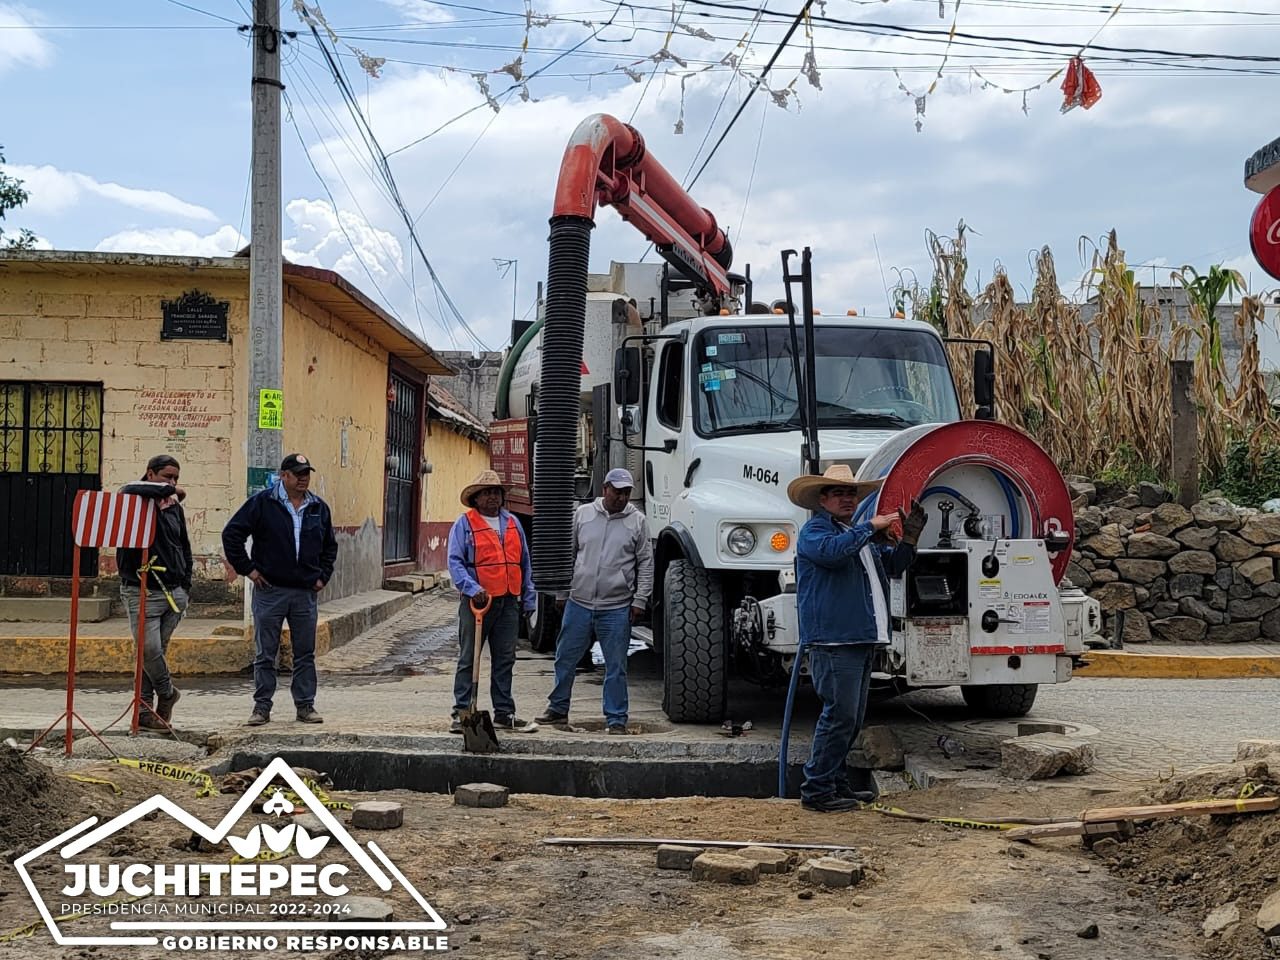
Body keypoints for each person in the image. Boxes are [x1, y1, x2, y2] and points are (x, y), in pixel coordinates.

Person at [786, 463, 927, 813]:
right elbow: (832, 555)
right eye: (839, 493)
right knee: (840, 716)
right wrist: (869, 527)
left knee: (849, 717)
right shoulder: (816, 533)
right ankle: (818, 788)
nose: (847, 499)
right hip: (835, 640)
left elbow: (894, 566)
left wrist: (909, 538)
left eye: (851, 493)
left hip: (857, 637)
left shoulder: (852, 536)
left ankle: (833, 783)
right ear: (822, 499)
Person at [222, 453, 337, 727]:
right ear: (284, 475)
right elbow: (232, 534)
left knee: (305, 653)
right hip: (270, 590)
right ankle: (262, 707)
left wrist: (323, 577)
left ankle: (305, 706)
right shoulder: (263, 503)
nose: (303, 479)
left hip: (304, 593)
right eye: (298, 474)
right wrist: (248, 569)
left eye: (306, 473)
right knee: (266, 653)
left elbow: (329, 547)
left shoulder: (318, 508)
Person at [536, 468, 653, 734]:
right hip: (579, 601)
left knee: (616, 666)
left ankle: (616, 720)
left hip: (617, 606)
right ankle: (557, 709)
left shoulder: (638, 522)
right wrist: (562, 592)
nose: (621, 498)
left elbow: (645, 562)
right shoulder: (583, 514)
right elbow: (569, 553)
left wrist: (640, 600)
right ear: (604, 490)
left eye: (626, 493)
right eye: (617, 492)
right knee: (565, 658)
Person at [446, 469, 537, 733]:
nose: (492, 498)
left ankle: (504, 713)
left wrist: (528, 598)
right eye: (486, 493)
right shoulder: (465, 524)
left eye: (496, 492)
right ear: (475, 498)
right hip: (477, 603)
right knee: (468, 658)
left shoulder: (512, 523)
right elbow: (455, 562)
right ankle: (461, 712)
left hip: (508, 601)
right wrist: (472, 588)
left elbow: (524, 563)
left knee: (505, 658)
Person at [116, 455, 193, 730]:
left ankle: (145, 714)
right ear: (150, 474)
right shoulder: (133, 500)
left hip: (173, 592)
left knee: (154, 654)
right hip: (140, 590)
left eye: (176, 478)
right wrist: (170, 490)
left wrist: (186, 583)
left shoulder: (173, 508)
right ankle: (169, 693)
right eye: (166, 477)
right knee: (147, 649)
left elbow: (184, 545)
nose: (172, 483)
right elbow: (127, 488)